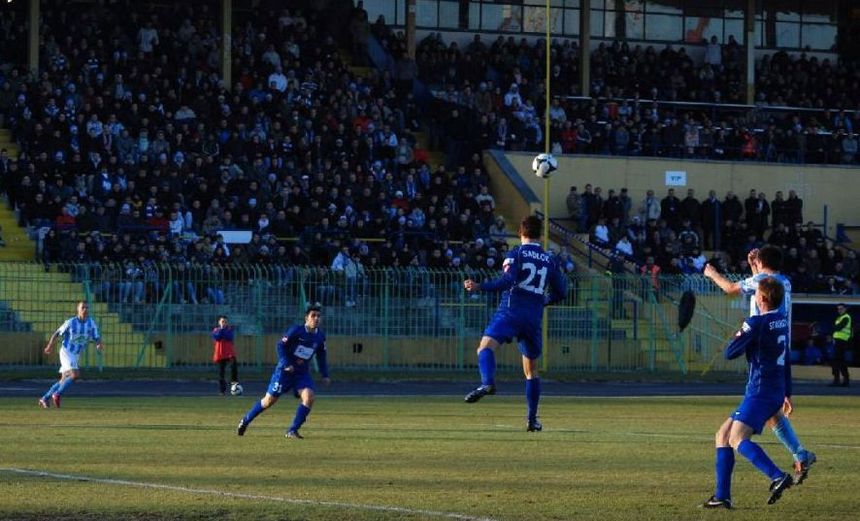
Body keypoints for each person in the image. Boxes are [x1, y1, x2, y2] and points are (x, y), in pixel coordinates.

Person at [703, 245, 816, 484]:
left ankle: (777, 474)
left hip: (761, 341)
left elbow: (732, 289)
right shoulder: (783, 281)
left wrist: (711, 273)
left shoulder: (761, 282)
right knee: (772, 412)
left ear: (761, 262)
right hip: (779, 343)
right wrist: (755, 266)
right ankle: (800, 454)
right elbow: (763, 281)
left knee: (734, 434)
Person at [462, 215, 567, 432]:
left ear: (520, 233)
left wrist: (480, 286)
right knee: (531, 371)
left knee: (485, 347)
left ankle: (487, 382)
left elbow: (507, 281)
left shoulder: (516, 253)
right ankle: (531, 420)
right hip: (533, 318)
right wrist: (542, 302)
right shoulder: (550, 259)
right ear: (540, 236)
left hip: (511, 311)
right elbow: (562, 292)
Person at [702, 277, 794, 509]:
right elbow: (787, 359)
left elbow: (730, 353)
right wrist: (788, 392)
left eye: (756, 293)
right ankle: (722, 496)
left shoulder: (756, 323)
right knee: (722, 435)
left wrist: (743, 334)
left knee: (736, 438)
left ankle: (777, 475)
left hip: (760, 391)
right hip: (773, 389)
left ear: (761, 298)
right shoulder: (781, 320)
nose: (754, 296)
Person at [236, 305, 330, 439]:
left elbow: (321, 355)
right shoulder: (296, 331)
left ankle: (292, 430)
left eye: (318, 316)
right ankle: (245, 420)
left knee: (309, 397)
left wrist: (325, 374)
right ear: (306, 318)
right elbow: (280, 345)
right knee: (268, 401)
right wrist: (287, 364)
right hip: (284, 372)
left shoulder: (320, 336)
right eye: (313, 315)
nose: (316, 318)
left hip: (301, 374)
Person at [39, 301, 103, 408]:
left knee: (63, 380)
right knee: (75, 374)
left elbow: (96, 336)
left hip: (76, 354)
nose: (85, 310)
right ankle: (57, 394)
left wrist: (99, 344)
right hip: (67, 352)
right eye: (83, 307)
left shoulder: (91, 323)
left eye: (87, 308)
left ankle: (44, 398)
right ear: (78, 310)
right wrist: (49, 346)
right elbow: (57, 333)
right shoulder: (71, 322)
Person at [212, 315, 238, 396]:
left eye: (225, 322)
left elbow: (229, 337)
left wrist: (223, 331)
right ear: (219, 322)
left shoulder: (230, 330)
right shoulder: (216, 330)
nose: (224, 323)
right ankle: (222, 391)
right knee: (221, 373)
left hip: (229, 353)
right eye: (222, 321)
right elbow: (217, 338)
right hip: (220, 354)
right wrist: (222, 329)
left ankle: (234, 387)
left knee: (234, 368)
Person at [830, 304, 852, 386]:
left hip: (842, 341)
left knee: (837, 360)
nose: (839, 310)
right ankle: (843, 379)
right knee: (839, 361)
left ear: (845, 309)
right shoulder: (840, 318)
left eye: (841, 308)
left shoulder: (846, 317)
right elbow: (836, 328)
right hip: (838, 340)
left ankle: (839, 380)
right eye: (838, 309)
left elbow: (838, 327)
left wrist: (834, 327)